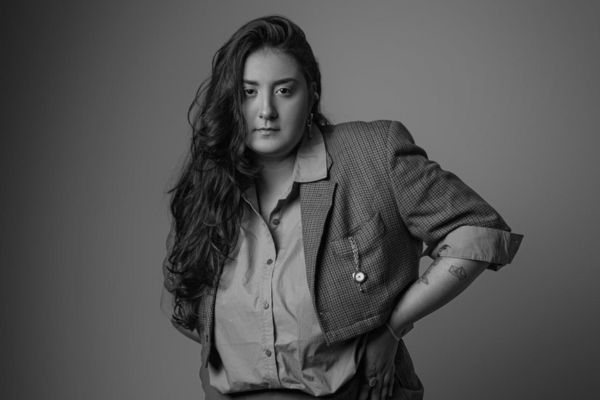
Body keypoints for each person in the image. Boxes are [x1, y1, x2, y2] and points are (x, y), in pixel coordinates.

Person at [161, 15, 523, 400]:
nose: (265, 110)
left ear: (312, 94)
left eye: (284, 90)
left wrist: (393, 326)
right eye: (248, 92)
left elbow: (477, 233)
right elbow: (188, 307)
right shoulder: (210, 184)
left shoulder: (371, 154)